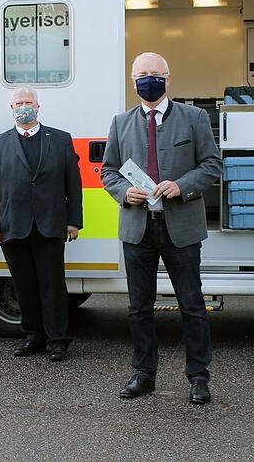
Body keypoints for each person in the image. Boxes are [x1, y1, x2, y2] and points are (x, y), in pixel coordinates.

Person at [100, 52, 221, 404]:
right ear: (133, 80)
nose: (148, 79)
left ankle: (198, 377)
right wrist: (125, 192)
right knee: (139, 308)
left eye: (155, 74)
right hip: (138, 229)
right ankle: (144, 374)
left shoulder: (194, 117)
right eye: (142, 74)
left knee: (192, 306)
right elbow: (108, 171)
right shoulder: (120, 123)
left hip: (180, 226)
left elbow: (212, 165)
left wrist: (182, 186)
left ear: (168, 79)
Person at [0, 85, 83, 361]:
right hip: (14, 226)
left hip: (51, 224)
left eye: (28, 102)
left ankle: (58, 340)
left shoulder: (61, 139)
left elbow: (73, 184)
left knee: (53, 285)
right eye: (19, 103)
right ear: (11, 109)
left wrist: (73, 220)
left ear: (38, 107)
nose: (23, 107)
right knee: (23, 285)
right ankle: (33, 336)